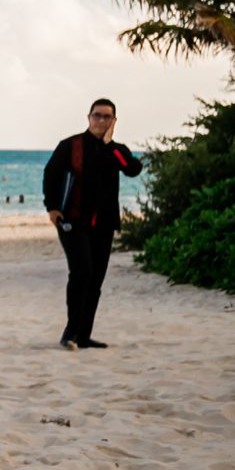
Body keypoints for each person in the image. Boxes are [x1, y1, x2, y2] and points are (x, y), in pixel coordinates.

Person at [43, 98, 144, 350]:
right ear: (88, 117)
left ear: (114, 121)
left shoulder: (117, 150)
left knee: (95, 279)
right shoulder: (71, 145)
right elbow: (51, 174)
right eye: (97, 115)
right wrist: (52, 208)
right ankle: (70, 332)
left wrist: (110, 145)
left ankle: (84, 335)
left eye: (107, 117)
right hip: (72, 221)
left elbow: (133, 169)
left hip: (104, 224)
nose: (101, 120)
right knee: (81, 272)